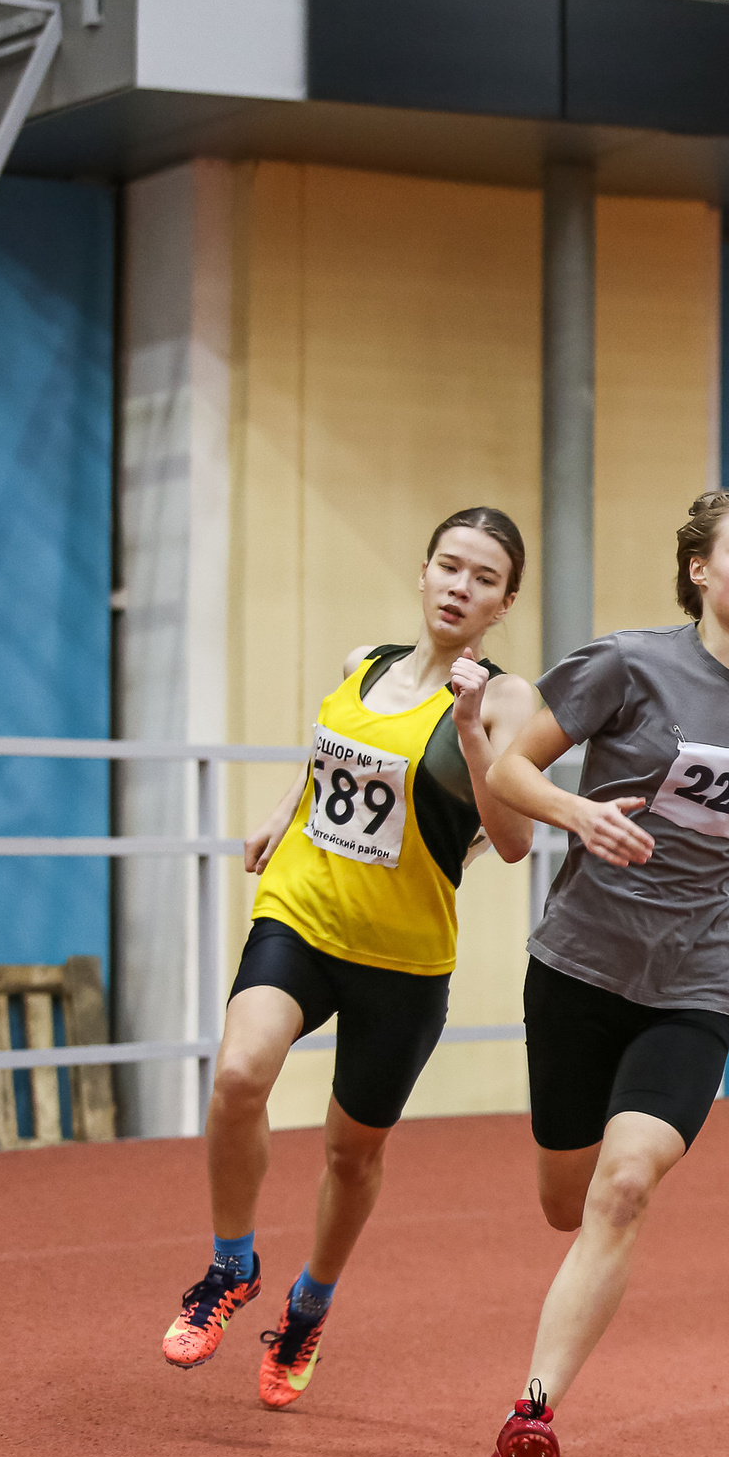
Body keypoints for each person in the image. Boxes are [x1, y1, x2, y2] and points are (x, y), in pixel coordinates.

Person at [478, 486, 729, 1457]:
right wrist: (579, 817)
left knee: (625, 1186)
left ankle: (532, 1411)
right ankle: (570, 1221)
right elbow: (510, 771)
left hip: (698, 974)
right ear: (699, 570)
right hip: (581, 963)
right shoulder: (627, 665)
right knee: (566, 1200)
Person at [161, 508, 538, 1409]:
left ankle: (308, 1309)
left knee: (350, 1151)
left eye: (483, 578)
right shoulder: (361, 666)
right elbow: (331, 763)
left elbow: (514, 839)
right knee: (240, 1074)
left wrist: (477, 730)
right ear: (422, 572)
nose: (460, 586)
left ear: (504, 602)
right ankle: (229, 1266)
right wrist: (282, 813)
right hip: (302, 911)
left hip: (402, 956)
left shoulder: (508, 699)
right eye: (449, 566)